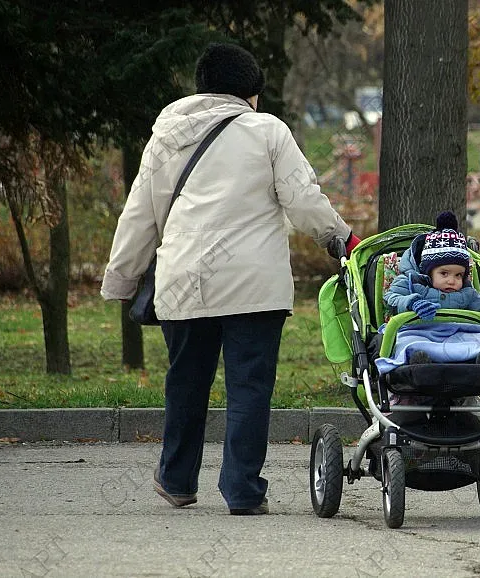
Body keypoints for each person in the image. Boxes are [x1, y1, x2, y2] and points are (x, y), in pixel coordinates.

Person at [100, 42, 360, 515]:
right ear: (251, 94)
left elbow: (141, 213)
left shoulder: (166, 135)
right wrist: (340, 237)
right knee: (249, 388)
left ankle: (177, 481)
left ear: (201, 88)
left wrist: (121, 279)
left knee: (186, 382)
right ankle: (241, 491)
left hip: (184, 282)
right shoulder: (268, 131)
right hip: (254, 286)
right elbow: (302, 199)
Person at [380, 211, 480, 374]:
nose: (452, 280)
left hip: (458, 335)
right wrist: (413, 302)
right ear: (428, 272)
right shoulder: (411, 282)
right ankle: (419, 363)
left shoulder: (467, 293)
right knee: (406, 343)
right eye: (444, 273)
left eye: (458, 275)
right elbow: (391, 298)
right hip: (420, 333)